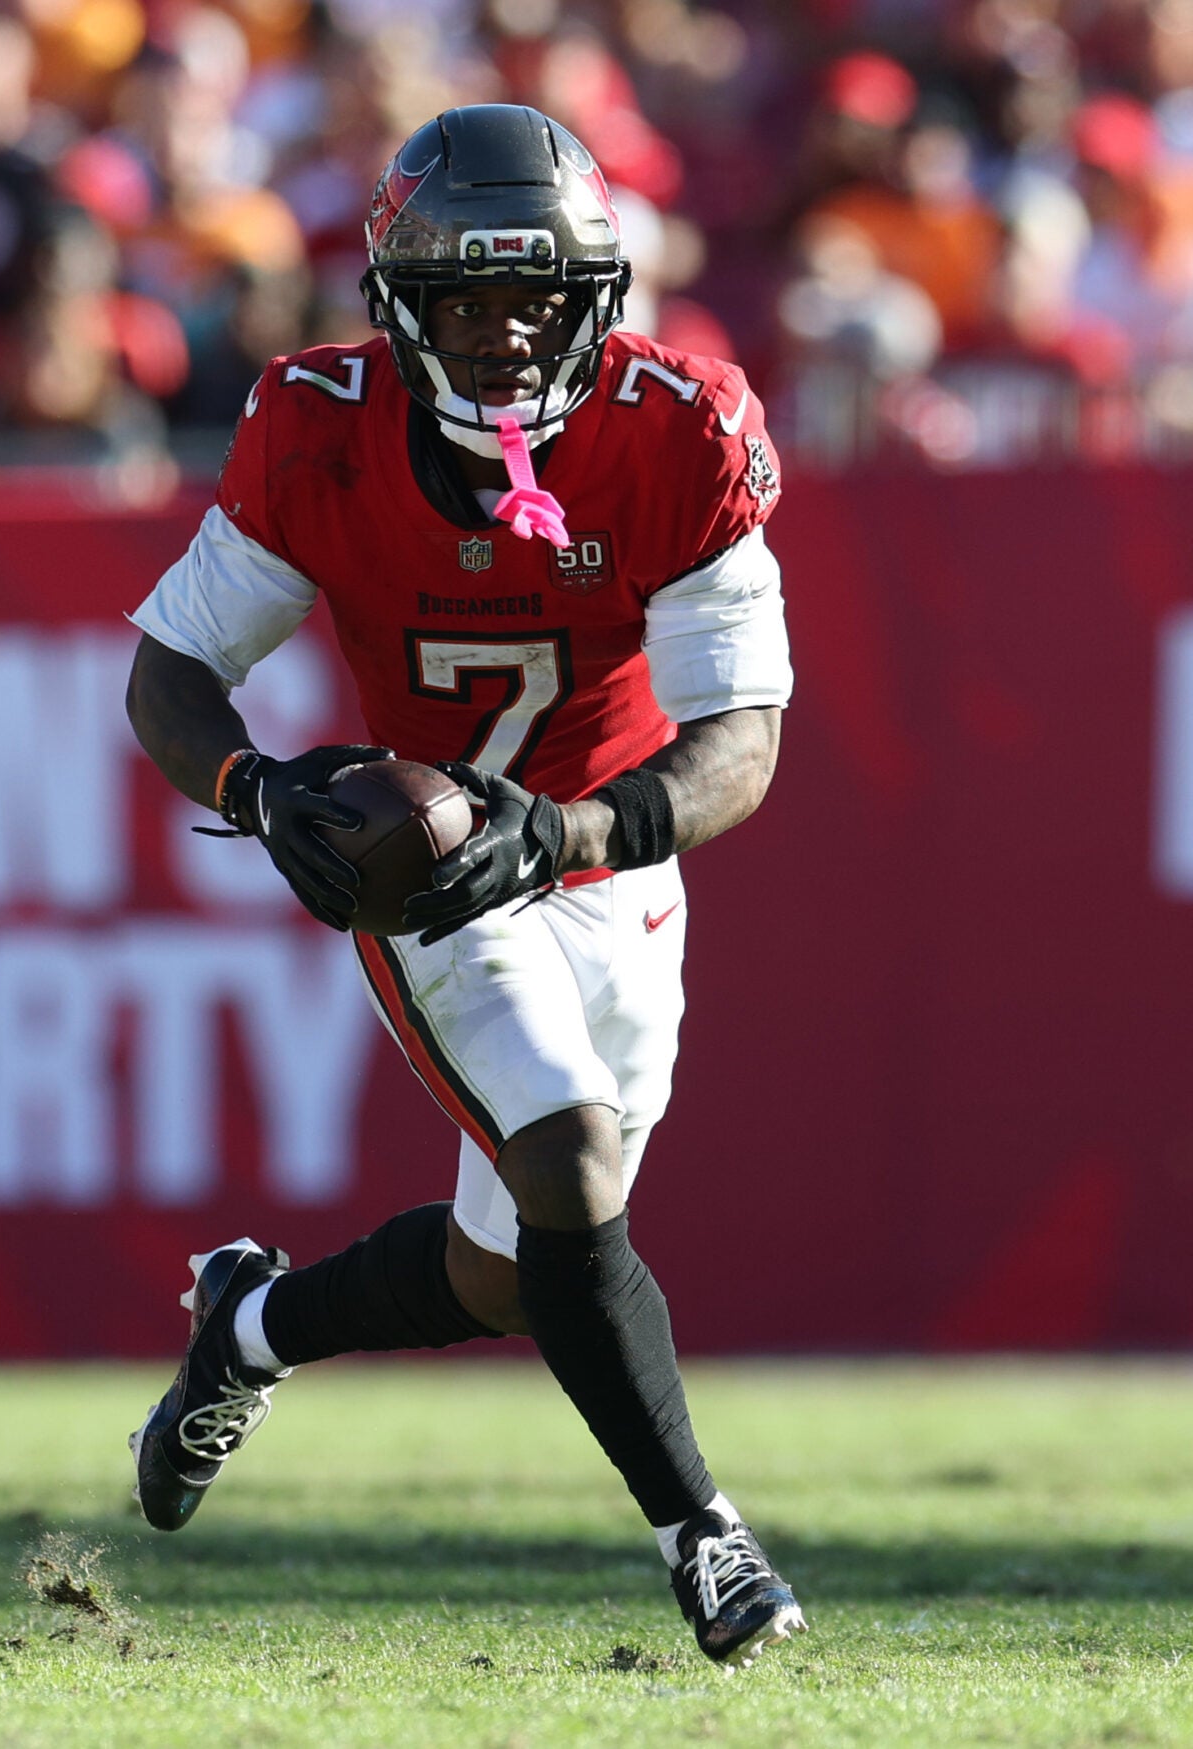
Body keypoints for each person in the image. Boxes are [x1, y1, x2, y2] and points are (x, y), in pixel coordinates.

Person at [121, 103, 805, 1668]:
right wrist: (259, 787)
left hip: (604, 854)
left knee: (514, 1269)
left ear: (599, 295)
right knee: (569, 1166)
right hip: (430, 871)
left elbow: (740, 741)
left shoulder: (677, 426)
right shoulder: (319, 425)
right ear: (394, 301)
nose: (508, 334)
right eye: (468, 297)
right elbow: (173, 670)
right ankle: (705, 1535)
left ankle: (246, 1326)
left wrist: (563, 834)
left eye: (540, 295)